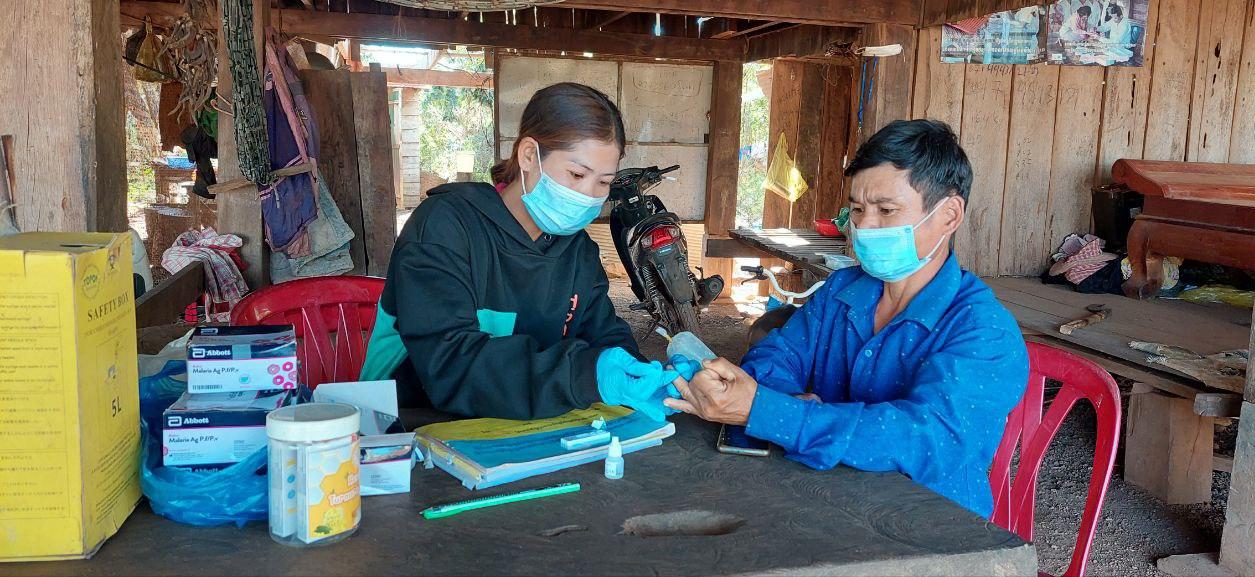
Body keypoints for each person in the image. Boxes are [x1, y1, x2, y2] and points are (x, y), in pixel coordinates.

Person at [666, 120, 1030, 517]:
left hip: (928, 524)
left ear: (949, 215)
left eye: (886, 210)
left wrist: (773, 413)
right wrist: (786, 406)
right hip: (826, 499)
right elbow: (776, 356)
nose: (864, 226)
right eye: (857, 209)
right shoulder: (842, 291)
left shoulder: (984, 331)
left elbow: (922, 439)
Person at [360, 82, 678, 421]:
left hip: (519, 429)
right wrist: (586, 375)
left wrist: (639, 374)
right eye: (576, 174)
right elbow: (449, 363)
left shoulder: (578, 252)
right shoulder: (444, 227)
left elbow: (603, 335)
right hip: (407, 427)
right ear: (528, 155)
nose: (588, 195)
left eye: (602, 182)